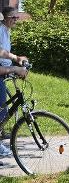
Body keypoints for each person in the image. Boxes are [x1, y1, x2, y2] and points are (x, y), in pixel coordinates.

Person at [0, 8, 28, 157]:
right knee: (1, 112)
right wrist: (14, 67)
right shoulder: (0, 29)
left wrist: (16, 58)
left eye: (17, 17)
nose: (17, 19)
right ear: (6, 18)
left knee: (3, 109)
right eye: (14, 17)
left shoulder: (6, 30)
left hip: (3, 71)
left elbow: (3, 52)